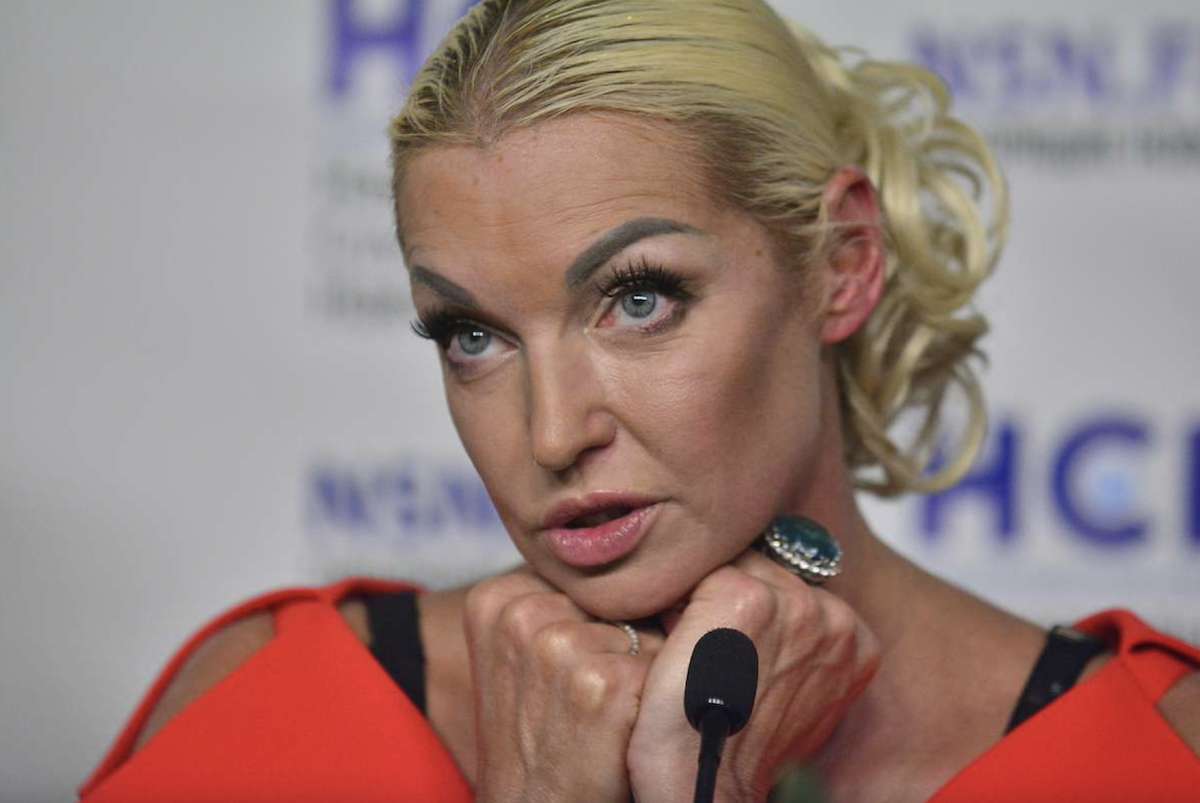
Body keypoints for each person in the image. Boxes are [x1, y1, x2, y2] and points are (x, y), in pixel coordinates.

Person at [78, 1, 1200, 801]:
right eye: (473, 334)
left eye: (639, 298)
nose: (551, 433)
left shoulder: (1152, 755)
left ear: (842, 262)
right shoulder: (279, 700)